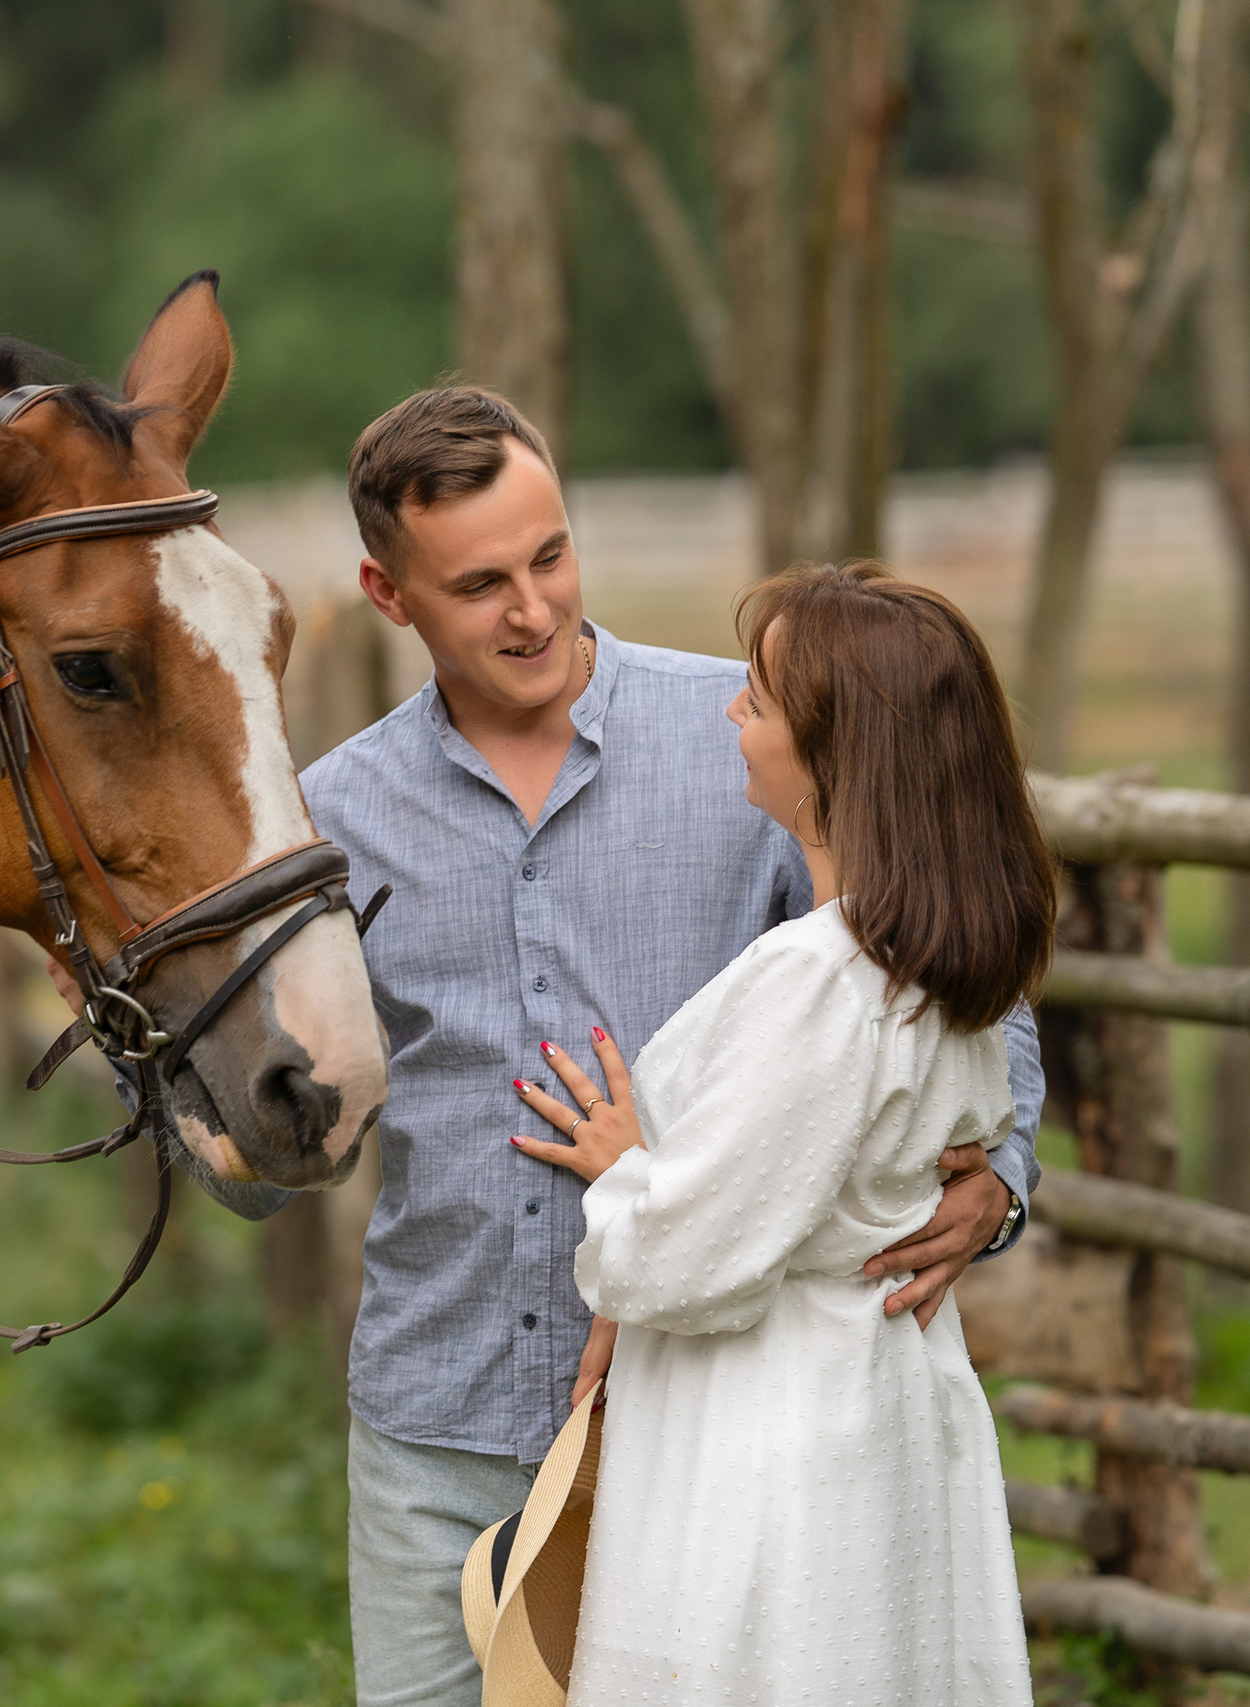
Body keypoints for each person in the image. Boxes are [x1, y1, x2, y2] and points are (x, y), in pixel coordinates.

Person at [296, 387, 1046, 1707]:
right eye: (479, 583)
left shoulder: (753, 736)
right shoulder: (334, 816)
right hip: (437, 1412)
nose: (533, 609)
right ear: (388, 590)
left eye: (550, 556)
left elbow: (947, 966)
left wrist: (1001, 1174)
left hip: (692, 1412)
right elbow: (274, 1149)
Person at [512, 561, 1047, 1704]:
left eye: (756, 700)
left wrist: (622, 1177)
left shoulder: (819, 979)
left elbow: (691, 1259)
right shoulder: (943, 973)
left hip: (775, 1435)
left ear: (833, 749)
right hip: (878, 1406)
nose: (731, 716)